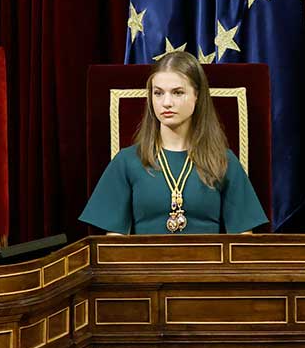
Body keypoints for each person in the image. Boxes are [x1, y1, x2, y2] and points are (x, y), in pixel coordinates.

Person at [79, 51, 267, 234]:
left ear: (197, 96)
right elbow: (113, 245)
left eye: (177, 92)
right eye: (158, 93)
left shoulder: (223, 161)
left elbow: (243, 242)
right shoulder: (127, 161)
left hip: (208, 265)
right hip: (144, 265)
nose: (166, 102)